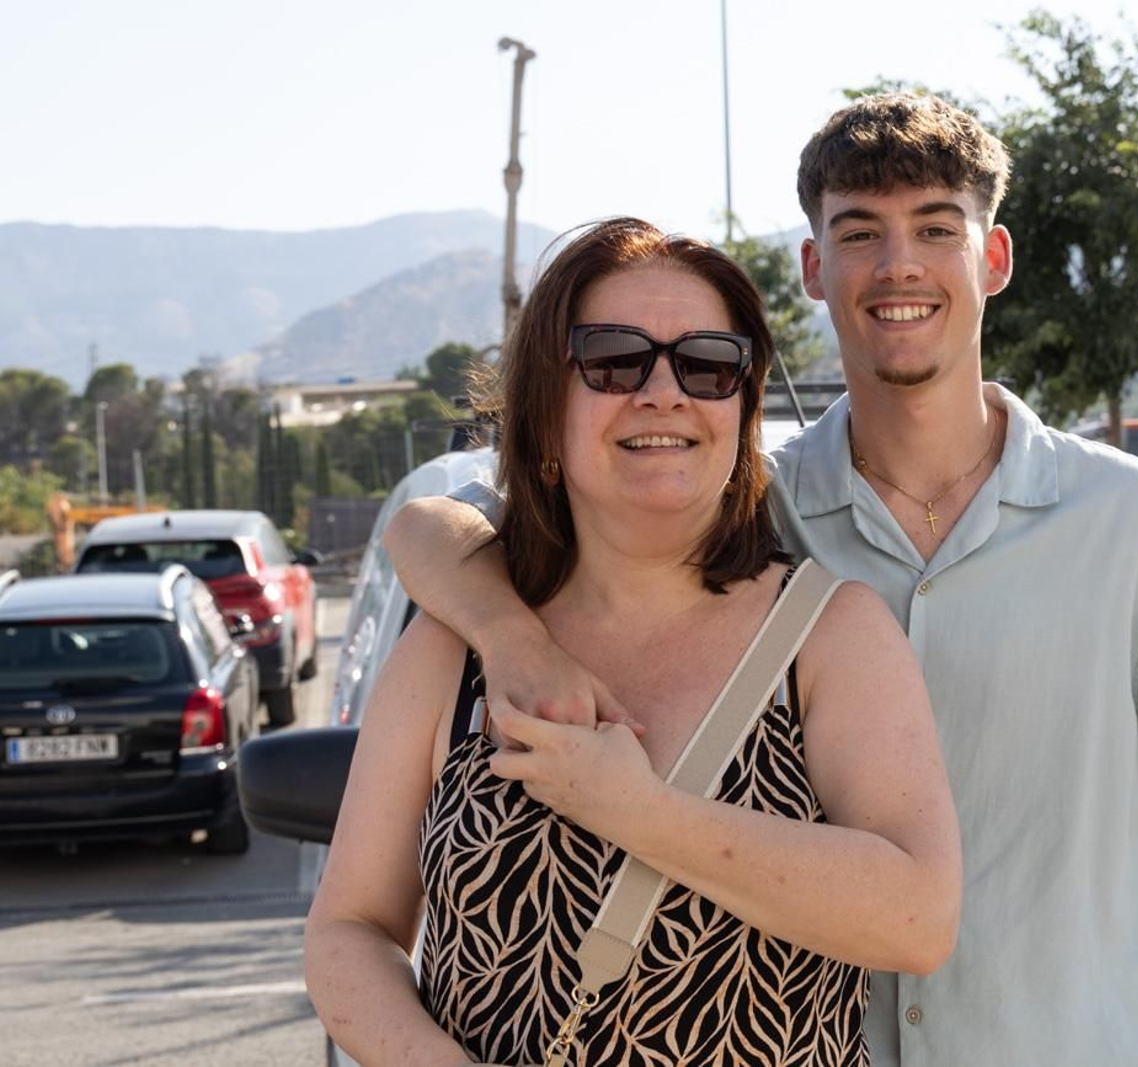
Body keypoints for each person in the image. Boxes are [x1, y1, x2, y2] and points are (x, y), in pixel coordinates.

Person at [386, 94, 1138, 1065]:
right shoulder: (744, 511)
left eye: (935, 228)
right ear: (815, 269)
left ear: (992, 259)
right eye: (859, 231)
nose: (898, 262)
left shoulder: (1120, 512)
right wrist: (511, 637)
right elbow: (432, 523)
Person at [304, 217, 962, 1067]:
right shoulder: (456, 648)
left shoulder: (828, 636)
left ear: (741, 408)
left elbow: (917, 918)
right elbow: (348, 926)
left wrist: (635, 811)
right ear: (545, 413)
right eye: (615, 358)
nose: (664, 391)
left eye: (708, 363)